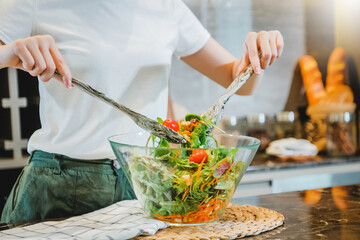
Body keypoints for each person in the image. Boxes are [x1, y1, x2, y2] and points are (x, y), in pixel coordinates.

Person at [0, 0, 284, 223]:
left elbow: (238, 80)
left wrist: (257, 55)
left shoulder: (166, 7)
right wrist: (11, 50)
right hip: (61, 185)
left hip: (144, 184)